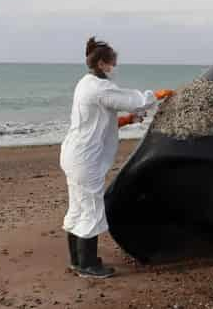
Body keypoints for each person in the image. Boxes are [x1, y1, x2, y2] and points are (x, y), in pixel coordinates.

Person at [59, 36, 174, 278]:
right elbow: (131, 100)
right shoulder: (100, 88)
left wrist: (126, 120)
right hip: (84, 159)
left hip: (74, 152)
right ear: (102, 63)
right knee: (90, 208)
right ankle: (88, 265)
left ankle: (77, 260)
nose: (114, 66)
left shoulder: (85, 83)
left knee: (79, 207)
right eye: (112, 62)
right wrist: (156, 95)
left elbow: (97, 119)